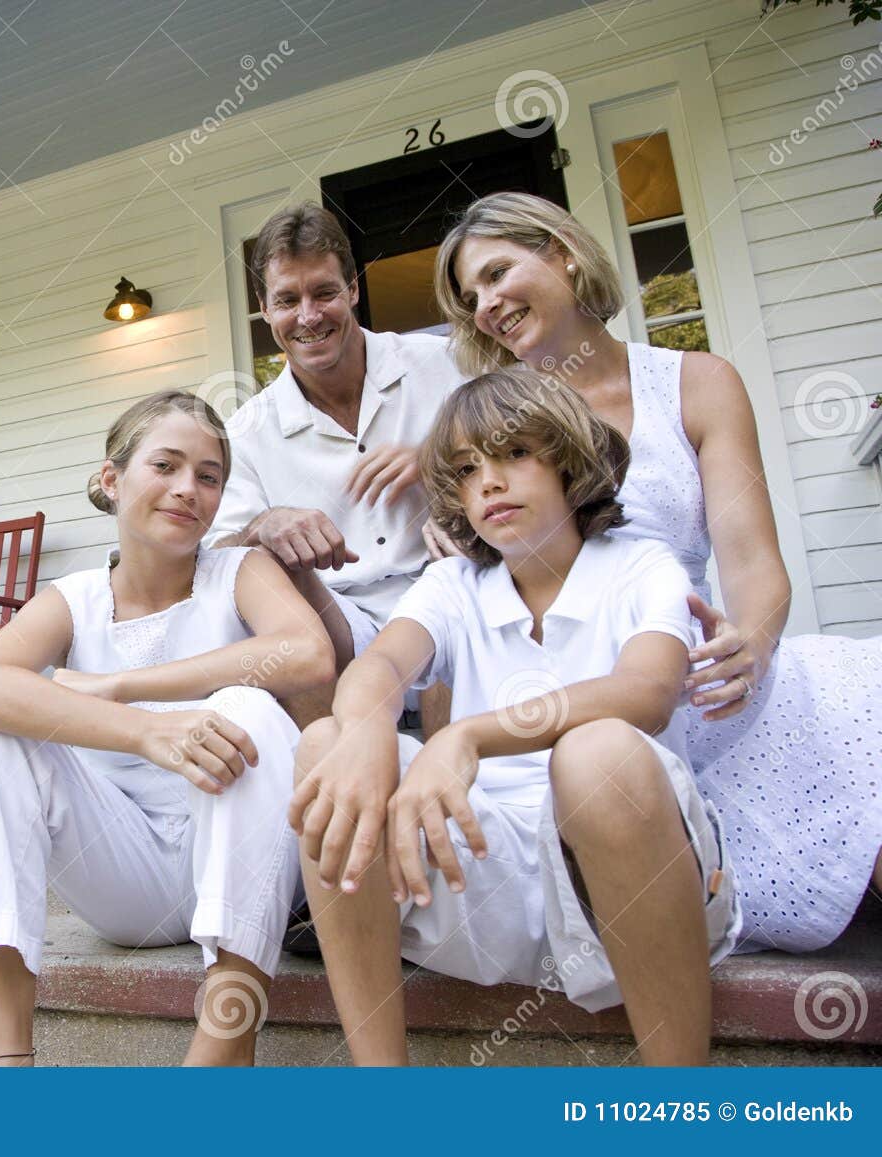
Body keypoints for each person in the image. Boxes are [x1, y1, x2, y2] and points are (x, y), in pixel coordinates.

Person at [433, 191, 882, 951]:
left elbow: (754, 562)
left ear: (563, 252)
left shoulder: (697, 382)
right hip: (585, 708)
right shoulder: (483, 435)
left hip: (705, 680)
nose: (486, 305)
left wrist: (754, 641)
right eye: (471, 297)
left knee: (846, 698)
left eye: (498, 272)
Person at [290, 368, 741, 1066]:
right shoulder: (454, 583)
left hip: (627, 888)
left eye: (513, 454)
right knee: (328, 743)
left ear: (568, 457)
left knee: (596, 754)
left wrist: (467, 735)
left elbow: (647, 690)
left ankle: (681, 1100)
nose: (490, 482)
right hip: (477, 875)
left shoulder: (643, 565)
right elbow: (377, 669)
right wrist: (373, 730)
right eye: (468, 471)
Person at [0, 390, 335, 1066]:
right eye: (166, 465)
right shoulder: (73, 598)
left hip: (245, 855)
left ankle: (224, 1044)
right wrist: (143, 731)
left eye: (209, 475)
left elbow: (306, 653)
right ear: (112, 479)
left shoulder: (241, 570)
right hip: (125, 875)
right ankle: (6, 1061)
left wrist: (124, 684)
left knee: (244, 706)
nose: (189, 489)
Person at [205, 203, 466, 721]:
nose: (308, 316)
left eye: (324, 292)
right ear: (264, 307)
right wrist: (265, 524)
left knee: (458, 594)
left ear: (352, 289)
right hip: (339, 617)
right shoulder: (248, 431)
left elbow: (526, 448)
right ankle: (336, 786)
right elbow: (216, 556)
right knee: (288, 624)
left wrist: (441, 460)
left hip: (451, 583)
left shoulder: (442, 364)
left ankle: (445, 792)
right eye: (287, 300)